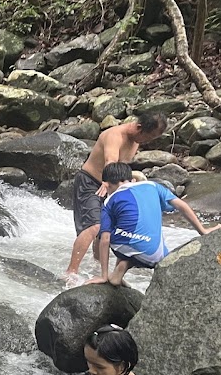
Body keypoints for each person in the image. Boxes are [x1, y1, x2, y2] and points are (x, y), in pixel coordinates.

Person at [64, 111, 167, 285]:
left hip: (112, 185)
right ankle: (71, 272)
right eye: (148, 137)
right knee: (94, 227)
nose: (147, 142)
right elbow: (111, 161)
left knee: (107, 229)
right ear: (139, 128)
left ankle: (98, 266)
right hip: (91, 182)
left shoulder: (135, 140)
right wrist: (109, 181)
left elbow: (122, 167)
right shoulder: (114, 135)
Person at [85, 161, 218, 287]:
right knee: (135, 230)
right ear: (132, 180)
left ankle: (119, 269)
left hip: (132, 249)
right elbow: (182, 205)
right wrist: (203, 231)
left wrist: (103, 276)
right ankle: (121, 270)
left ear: (106, 185)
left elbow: (105, 239)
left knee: (103, 232)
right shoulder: (153, 186)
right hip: (158, 258)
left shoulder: (110, 201)